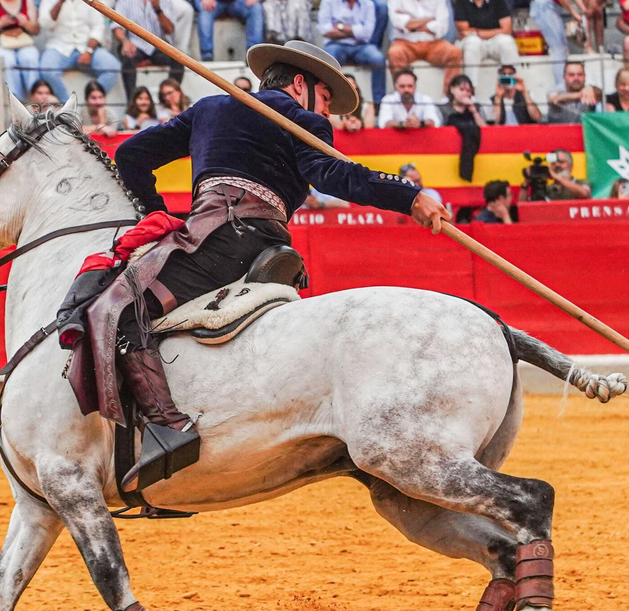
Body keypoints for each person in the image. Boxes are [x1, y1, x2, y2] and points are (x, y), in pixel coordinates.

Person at [92, 41, 445, 486]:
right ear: (300, 83)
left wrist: (155, 213)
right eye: (327, 98)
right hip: (267, 244)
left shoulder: (212, 108)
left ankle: (168, 429)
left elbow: (130, 155)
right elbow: (335, 175)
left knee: (121, 310)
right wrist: (408, 195)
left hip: (216, 240)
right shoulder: (303, 119)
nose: (328, 111)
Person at [40, 0, 123, 99]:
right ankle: (67, 105)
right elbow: (46, 24)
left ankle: (92, 99)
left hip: (85, 46)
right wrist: (61, 1)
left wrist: (89, 51)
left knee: (112, 67)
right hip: (59, 47)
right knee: (47, 69)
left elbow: (98, 27)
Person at [114, 0, 188, 96]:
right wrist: (125, 41)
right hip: (136, 45)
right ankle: (132, 99)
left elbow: (169, 30)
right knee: (127, 58)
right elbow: (116, 25)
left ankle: (170, 96)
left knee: (179, 59)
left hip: (158, 44)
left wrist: (157, 8)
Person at [319, 0, 386, 102]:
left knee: (378, 58)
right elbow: (324, 30)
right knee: (327, 58)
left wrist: (340, 27)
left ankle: (379, 102)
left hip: (361, 46)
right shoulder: (329, 0)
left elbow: (367, 33)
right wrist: (356, 30)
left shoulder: (368, 4)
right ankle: (326, 98)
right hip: (336, 45)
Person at [453, 0, 517, 96]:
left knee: (507, 42)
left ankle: (509, 89)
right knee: (473, 43)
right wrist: (493, 31)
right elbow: (463, 30)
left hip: (493, 42)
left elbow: (507, 29)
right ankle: (470, 91)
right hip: (474, 43)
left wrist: (478, 32)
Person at [386, 0, 459, 71]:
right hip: (405, 42)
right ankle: (402, 83)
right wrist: (430, 19)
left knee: (455, 53)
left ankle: (451, 84)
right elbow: (397, 22)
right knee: (394, 53)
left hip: (433, 43)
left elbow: (443, 27)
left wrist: (411, 23)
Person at [379, 68, 443, 127]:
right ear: (396, 87)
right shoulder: (388, 100)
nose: (406, 90)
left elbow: (433, 122)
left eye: (410, 86)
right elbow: (384, 123)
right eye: (402, 86)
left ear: (415, 86)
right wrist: (403, 124)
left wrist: (420, 123)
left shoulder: (425, 99)